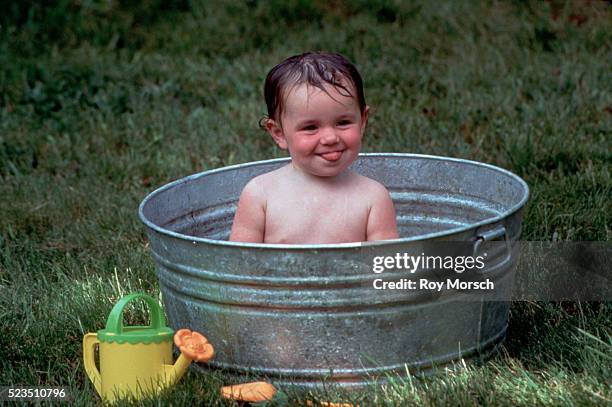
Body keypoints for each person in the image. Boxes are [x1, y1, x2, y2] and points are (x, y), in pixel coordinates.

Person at [230, 51, 398, 244]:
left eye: (343, 122)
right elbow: (240, 266)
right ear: (279, 133)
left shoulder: (373, 197)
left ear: (362, 121)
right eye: (310, 127)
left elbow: (386, 267)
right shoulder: (260, 195)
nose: (330, 138)